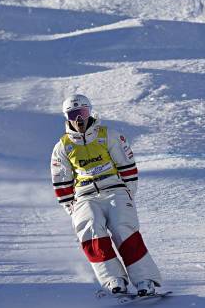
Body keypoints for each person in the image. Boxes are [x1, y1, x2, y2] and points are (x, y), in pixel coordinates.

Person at [50, 94, 162, 296]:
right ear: (66, 117)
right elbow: (61, 181)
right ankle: (113, 279)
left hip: (115, 189)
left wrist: (127, 193)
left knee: (123, 227)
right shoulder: (63, 147)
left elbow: (127, 167)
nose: (79, 119)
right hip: (85, 195)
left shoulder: (107, 135)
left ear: (89, 112)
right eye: (73, 114)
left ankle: (144, 279)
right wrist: (71, 208)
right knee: (89, 227)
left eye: (82, 113)